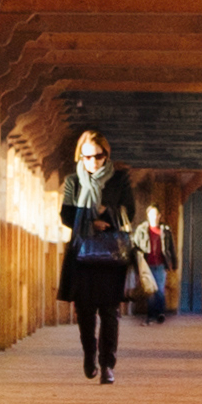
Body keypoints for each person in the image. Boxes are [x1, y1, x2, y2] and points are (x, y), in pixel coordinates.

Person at [58, 129, 133, 382]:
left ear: (106, 154)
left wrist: (107, 213)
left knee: (110, 312)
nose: (92, 162)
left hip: (110, 253)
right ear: (80, 156)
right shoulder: (73, 181)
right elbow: (66, 215)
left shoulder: (119, 179)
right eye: (87, 157)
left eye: (98, 157)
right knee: (86, 311)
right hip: (82, 253)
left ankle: (107, 365)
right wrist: (90, 220)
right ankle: (89, 355)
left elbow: (129, 212)